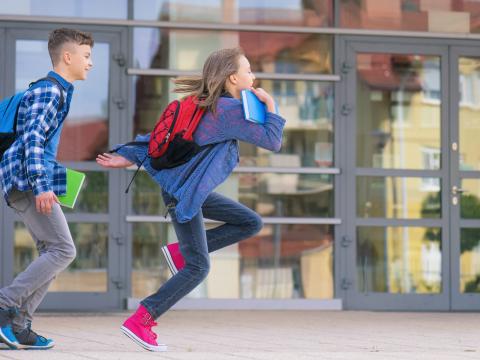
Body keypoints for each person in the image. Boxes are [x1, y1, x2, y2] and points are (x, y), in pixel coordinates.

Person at [96, 47, 285, 352]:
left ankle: (178, 252)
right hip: (185, 193)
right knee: (199, 268)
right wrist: (271, 106)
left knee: (251, 221)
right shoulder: (229, 111)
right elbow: (272, 141)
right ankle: (142, 319)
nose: (254, 76)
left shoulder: (203, 106)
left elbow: (159, 136)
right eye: (248, 70)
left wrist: (127, 155)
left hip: (189, 190)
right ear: (233, 78)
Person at [0, 28, 94, 350]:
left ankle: (19, 326)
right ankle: (4, 305)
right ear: (67, 57)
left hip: (25, 180)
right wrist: (42, 186)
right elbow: (33, 141)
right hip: (27, 182)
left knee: (52, 252)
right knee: (64, 250)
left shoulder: (59, 91)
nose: (90, 63)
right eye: (86, 56)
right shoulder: (50, 92)